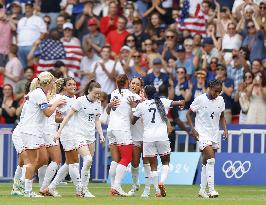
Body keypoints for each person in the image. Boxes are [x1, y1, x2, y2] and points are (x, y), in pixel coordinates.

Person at [11, 71, 66, 197]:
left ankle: (23, 185)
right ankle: (27, 191)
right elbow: (47, 113)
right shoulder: (39, 94)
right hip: (31, 131)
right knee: (31, 162)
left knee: (41, 159)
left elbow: (43, 110)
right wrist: (57, 104)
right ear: (48, 82)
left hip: (34, 131)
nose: (54, 83)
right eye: (53, 81)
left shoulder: (39, 93)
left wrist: (53, 105)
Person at [53, 80, 105, 197]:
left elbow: (97, 120)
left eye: (99, 94)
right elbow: (67, 117)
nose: (97, 96)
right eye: (95, 93)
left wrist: (101, 134)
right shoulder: (80, 101)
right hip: (78, 135)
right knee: (87, 159)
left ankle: (83, 189)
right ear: (89, 91)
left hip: (90, 136)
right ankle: (82, 189)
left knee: (86, 163)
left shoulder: (98, 103)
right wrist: (59, 131)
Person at [131, 85, 185, 197]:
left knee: (152, 165)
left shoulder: (141, 105)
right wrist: (181, 104)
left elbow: (132, 121)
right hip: (162, 137)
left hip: (148, 138)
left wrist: (134, 109)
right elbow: (179, 102)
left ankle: (157, 191)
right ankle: (162, 182)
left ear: (145, 94)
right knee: (165, 162)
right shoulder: (162, 101)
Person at [186, 79, 228, 199]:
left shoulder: (220, 100)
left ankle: (202, 190)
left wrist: (225, 129)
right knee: (211, 160)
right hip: (202, 134)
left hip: (214, 134)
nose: (217, 94)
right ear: (209, 88)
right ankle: (212, 190)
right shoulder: (200, 99)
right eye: (216, 91)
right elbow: (188, 114)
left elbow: (222, 116)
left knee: (206, 162)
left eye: (219, 92)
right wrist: (192, 128)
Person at [107, 74, 140, 196]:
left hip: (111, 129)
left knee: (116, 160)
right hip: (122, 129)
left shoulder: (113, 93)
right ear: (127, 82)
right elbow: (136, 115)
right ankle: (116, 186)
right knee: (127, 157)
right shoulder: (133, 96)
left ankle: (112, 187)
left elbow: (110, 109)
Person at [126, 77, 151, 197]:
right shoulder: (125, 97)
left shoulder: (145, 100)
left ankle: (147, 189)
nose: (134, 85)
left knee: (147, 163)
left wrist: (134, 106)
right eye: (132, 83)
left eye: (137, 84)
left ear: (141, 87)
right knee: (135, 163)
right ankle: (135, 185)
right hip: (134, 135)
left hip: (146, 135)